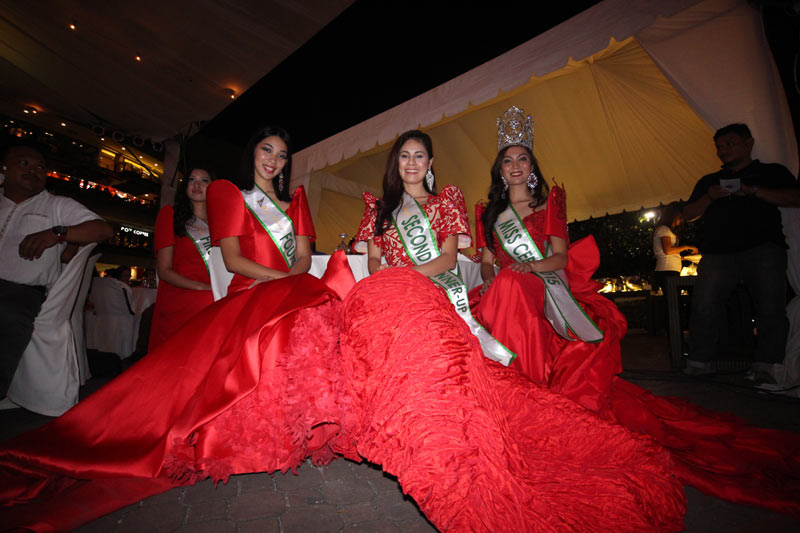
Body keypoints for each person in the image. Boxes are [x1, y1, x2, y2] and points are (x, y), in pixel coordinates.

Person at [0, 126, 357, 530]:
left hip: (288, 288)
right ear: (252, 153)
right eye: (265, 149)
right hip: (251, 291)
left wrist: (291, 279)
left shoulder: (296, 201)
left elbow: (305, 258)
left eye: (281, 154)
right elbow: (234, 261)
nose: (273, 159)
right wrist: (278, 281)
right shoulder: (229, 195)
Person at [470, 107, 800, 515]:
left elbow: (558, 259)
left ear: (532, 166)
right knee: (496, 290)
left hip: (543, 286)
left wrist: (526, 267)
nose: (516, 166)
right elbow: (486, 257)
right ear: (499, 169)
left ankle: (526, 393)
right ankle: (503, 392)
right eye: (508, 160)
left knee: (513, 286)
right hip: (503, 286)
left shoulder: (550, 202)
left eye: (523, 159)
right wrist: (489, 273)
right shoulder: (488, 214)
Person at [351, 130, 685, 531]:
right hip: (433, 285)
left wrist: (519, 269)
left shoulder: (507, 205)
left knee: (499, 296)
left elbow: (455, 261)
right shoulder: (396, 210)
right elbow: (391, 261)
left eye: (419, 155)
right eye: (404, 155)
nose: (411, 163)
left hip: (525, 282)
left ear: (430, 163)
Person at [682, 123, 800, 379]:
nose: (723, 150)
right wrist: (710, 197)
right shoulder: (709, 181)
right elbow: (688, 214)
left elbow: (795, 198)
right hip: (717, 252)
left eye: (730, 144)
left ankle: (767, 366)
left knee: (770, 307)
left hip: (764, 249)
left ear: (749, 144)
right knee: (704, 305)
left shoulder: (770, 172)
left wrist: (754, 191)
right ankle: (700, 362)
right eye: (719, 147)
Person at [0, 142, 113, 399]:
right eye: (24, 163)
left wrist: (57, 233)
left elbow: (103, 230)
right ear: (4, 168)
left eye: (40, 167)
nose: (33, 170)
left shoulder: (55, 205)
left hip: (22, 293)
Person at [149, 168, 216, 350]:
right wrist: (202, 287)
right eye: (191, 179)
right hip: (182, 293)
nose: (197, 184)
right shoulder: (169, 215)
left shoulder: (221, 222)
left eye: (204, 180)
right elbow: (164, 270)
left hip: (212, 292)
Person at [652, 201, 696, 294]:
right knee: (673, 302)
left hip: (669, 270)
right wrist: (686, 247)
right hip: (666, 271)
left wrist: (685, 258)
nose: (680, 221)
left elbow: (669, 253)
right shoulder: (664, 229)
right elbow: (668, 250)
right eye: (680, 218)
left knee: (673, 301)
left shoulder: (666, 230)